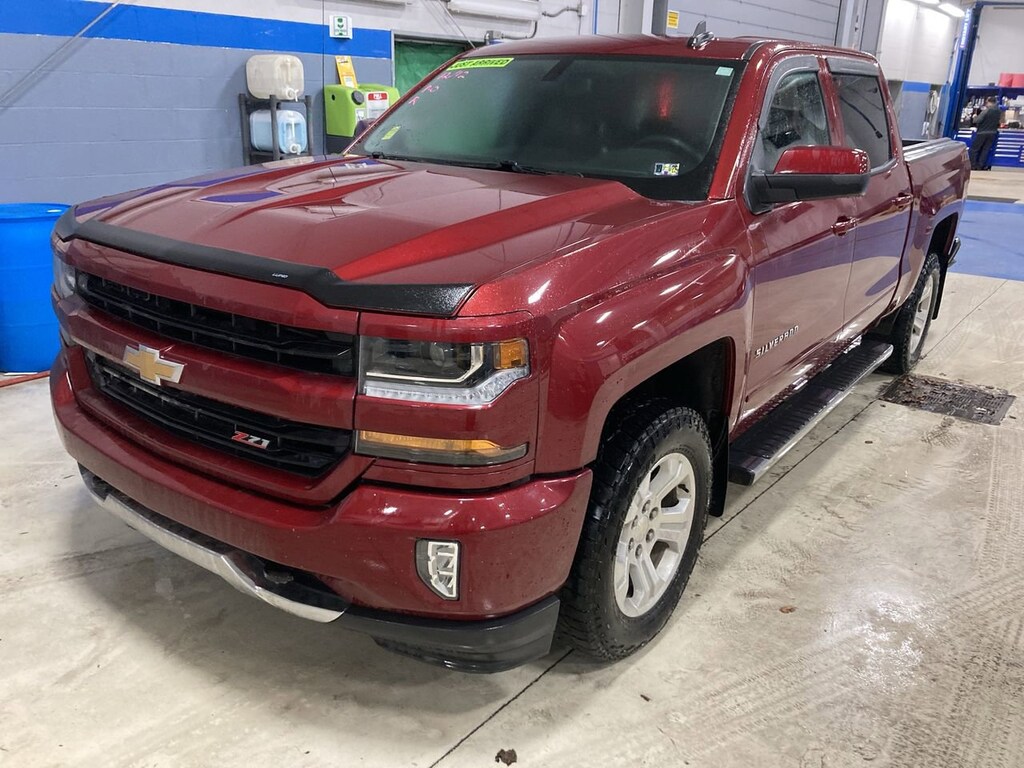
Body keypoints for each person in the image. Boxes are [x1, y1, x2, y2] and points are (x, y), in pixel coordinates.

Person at [970, 96, 1002, 171]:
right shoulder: (999, 111)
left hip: (982, 133)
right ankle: (980, 166)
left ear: (990, 102)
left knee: (974, 149)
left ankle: (972, 166)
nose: (986, 104)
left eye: (987, 102)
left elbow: (977, 120)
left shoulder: (986, 111)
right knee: (985, 150)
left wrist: (974, 117)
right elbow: (998, 123)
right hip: (992, 133)